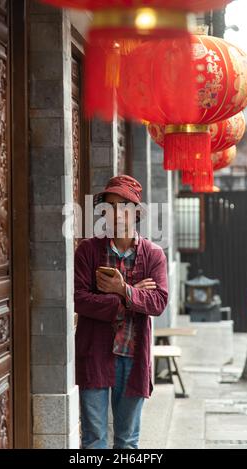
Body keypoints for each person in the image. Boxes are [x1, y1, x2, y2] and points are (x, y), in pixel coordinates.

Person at [74, 174, 168, 449]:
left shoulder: (153, 254)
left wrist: (124, 290)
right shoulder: (88, 251)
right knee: (94, 441)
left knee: (127, 442)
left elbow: (159, 302)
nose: (115, 213)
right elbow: (79, 300)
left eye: (122, 206)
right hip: (95, 353)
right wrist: (125, 298)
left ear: (136, 212)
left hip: (133, 356)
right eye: (109, 206)